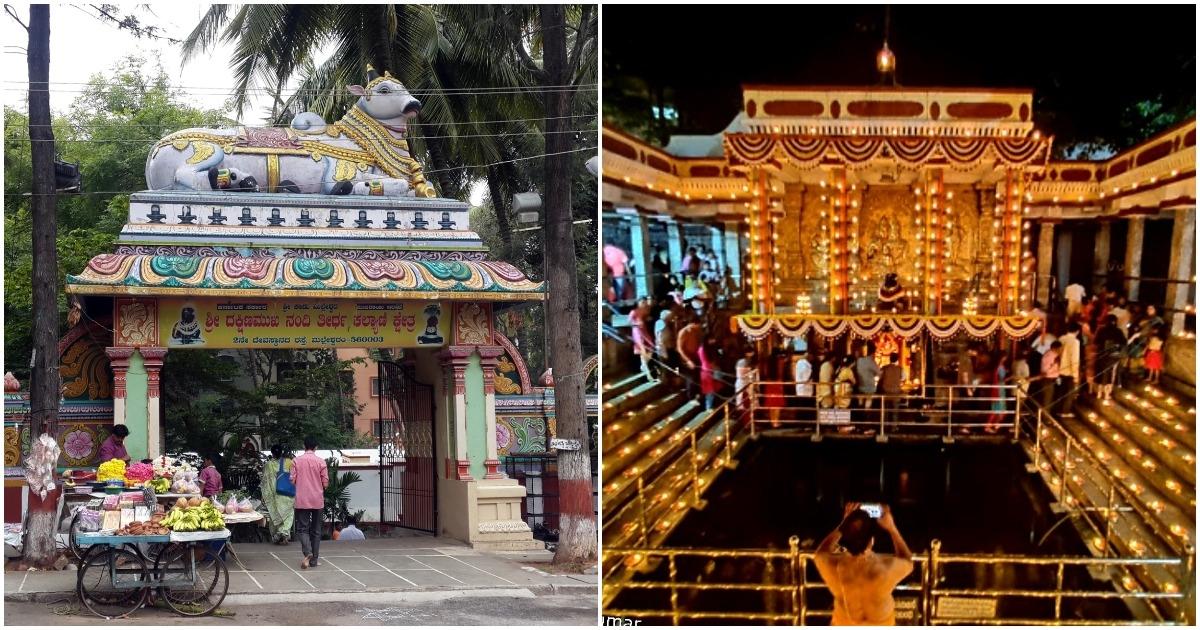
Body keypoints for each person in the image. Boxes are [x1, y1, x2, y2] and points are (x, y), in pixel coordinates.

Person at [813, 503, 914, 626]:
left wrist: (843, 526)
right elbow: (907, 560)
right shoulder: (883, 569)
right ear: (872, 541)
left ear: (845, 538)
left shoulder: (835, 567)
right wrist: (892, 528)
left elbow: (820, 554)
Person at [291, 436, 330, 569]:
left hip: (302, 499)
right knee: (316, 530)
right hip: (317, 500)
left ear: (304, 446)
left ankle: (308, 553)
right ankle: (314, 561)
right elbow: (325, 482)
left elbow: (292, 480)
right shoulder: (321, 462)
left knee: (302, 529)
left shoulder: (296, 461)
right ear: (316, 447)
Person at [260, 444, 296, 545]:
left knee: (275, 514)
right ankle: (284, 532)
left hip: (275, 495)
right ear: (282, 452)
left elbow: (265, 482)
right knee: (288, 514)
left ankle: (277, 534)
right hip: (287, 494)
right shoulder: (289, 462)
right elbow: (294, 477)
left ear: (272, 453)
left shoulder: (268, 465)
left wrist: (264, 495)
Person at [1095, 314, 1126, 400]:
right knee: (1110, 374)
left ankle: (1099, 393)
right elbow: (1124, 342)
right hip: (1113, 356)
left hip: (1102, 355)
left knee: (1101, 374)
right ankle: (1107, 394)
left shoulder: (1102, 330)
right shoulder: (1118, 331)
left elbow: (1096, 341)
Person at [1058, 322, 1081, 417]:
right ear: (1077, 331)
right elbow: (1074, 359)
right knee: (1069, 392)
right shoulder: (1075, 342)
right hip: (1069, 371)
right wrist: (1076, 374)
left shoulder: (1061, 339)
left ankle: (1059, 409)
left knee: (1061, 391)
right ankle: (1065, 411)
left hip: (1059, 369)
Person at [986, 353, 1010, 434]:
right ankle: (989, 426)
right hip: (999, 389)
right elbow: (1001, 379)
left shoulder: (998, 367)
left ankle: (995, 425)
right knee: (997, 409)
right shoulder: (999, 367)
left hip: (999, 388)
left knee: (999, 409)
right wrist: (1010, 377)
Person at [878, 353, 903, 425]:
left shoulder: (884, 368)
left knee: (885, 410)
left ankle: (884, 426)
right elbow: (903, 378)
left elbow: (880, 377)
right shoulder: (900, 369)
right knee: (895, 411)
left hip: (885, 392)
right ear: (897, 360)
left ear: (890, 359)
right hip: (896, 392)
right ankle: (894, 427)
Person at [855, 344, 880, 411]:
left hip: (860, 385)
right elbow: (879, 372)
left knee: (860, 403)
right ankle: (866, 414)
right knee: (868, 402)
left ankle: (860, 414)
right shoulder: (871, 361)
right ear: (873, 353)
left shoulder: (859, 360)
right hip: (869, 387)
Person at [698, 338, 720, 410]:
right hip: (707, 371)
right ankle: (709, 407)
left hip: (707, 370)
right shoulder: (704, 349)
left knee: (710, 391)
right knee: (710, 392)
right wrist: (713, 367)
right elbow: (707, 361)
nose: (713, 340)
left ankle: (709, 406)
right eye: (711, 339)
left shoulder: (703, 348)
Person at [1041, 341, 1062, 413]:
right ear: (1055, 348)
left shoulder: (1054, 355)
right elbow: (1045, 370)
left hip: (1053, 378)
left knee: (1050, 399)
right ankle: (1045, 418)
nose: (1060, 351)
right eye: (1059, 349)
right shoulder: (1049, 356)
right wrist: (1054, 364)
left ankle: (1048, 415)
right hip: (1048, 379)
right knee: (1047, 400)